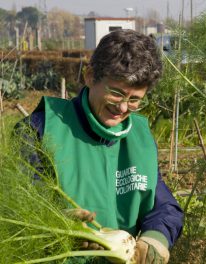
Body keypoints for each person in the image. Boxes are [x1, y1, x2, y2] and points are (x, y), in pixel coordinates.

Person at [16, 29, 183, 263]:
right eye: (116, 94)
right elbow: (18, 211)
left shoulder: (141, 137)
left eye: (134, 100)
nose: (124, 108)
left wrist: (157, 236)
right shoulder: (39, 130)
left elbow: (163, 204)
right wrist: (59, 223)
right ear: (90, 76)